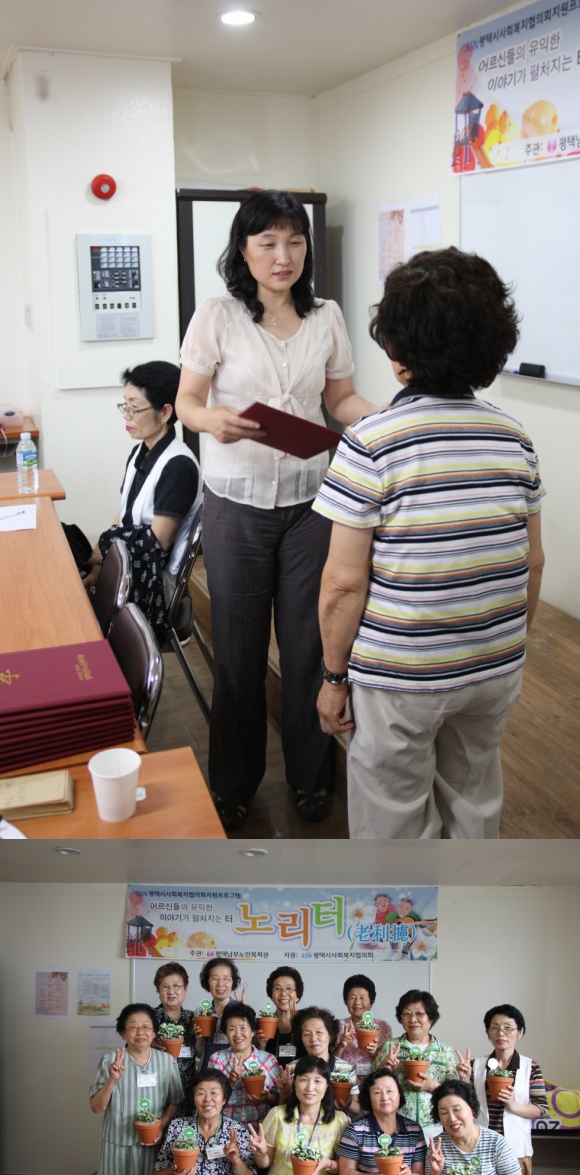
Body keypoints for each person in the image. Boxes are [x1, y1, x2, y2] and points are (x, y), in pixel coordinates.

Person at [313, 247, 545, 839]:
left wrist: (334, 678)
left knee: (393, 823)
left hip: (401, 677)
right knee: (475, 805)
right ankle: (469, 894)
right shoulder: (514, 438)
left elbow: (342, 585)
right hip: (493, 666)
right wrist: (502, 647)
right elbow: (533, 563)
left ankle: (404, 905)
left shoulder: (371, 442)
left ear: (397, 350)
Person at [176, 189, 373, 830]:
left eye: (294, 241)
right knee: (237, 652)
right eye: (268, 243)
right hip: (236, 505)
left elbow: (339, 401)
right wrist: (212, 421)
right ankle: (234, 784)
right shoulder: (219, 315)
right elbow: (187, 401)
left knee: (309, 645)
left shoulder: (326, 316)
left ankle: (312, 778)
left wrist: (387, 418)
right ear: (244, 250)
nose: (283, 255)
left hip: (313, 505)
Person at [83, 361, 200, 638]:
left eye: (134, 408)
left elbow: (159, 541)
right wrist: (98, 561)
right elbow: (123, 513)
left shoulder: (178, 465)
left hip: (153, 578)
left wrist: (104, 550)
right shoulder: (139, 452)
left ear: (165, 412)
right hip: (127, 564)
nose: (126, 415)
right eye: (124, 406)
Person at [89, 1002, 183, 1175]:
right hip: (116, 1143)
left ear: (154, 1032)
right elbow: (96, 1107)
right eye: (133, 1026)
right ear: (123, 1033)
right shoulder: (110, 1062)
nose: (140, 1032)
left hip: (151, 1145)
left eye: (146, 1026)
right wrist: (112, 1080)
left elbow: (175, 1100)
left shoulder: (166, 1061)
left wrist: (161, 1126)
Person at [456, 1004, 548, 1175]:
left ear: (520, 1033)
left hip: (516, 1149)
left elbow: (541, 1109)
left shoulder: (530, 1067)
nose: (501, 1033)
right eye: (495, 1028)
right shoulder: (476, 1066)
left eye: (508, 1028)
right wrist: (464, 1080)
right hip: (481, 1146)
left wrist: (514, 1105)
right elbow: (464, 1107)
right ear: (488, 1033)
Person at [249, 1054, 349, 1175]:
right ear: (295, 1083)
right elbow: (264, 1163)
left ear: (327, 1086)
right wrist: (261, 1152)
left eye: (317, 1081)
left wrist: (328, 1164)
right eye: (303, 1080)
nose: (310, 1087)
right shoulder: (277, 1115)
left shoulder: (339, 1121)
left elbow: (345, 1167)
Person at [152, 1067, 255, 1175]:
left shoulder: (237, 1130)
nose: (207, 1099)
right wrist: (175, 1174)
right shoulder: (178, 1127)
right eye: (200, 1093)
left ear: (224, 1099)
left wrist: (236, 1161)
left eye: (214, 1093)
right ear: (194, 1099)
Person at [424, 1079, 526, 1175]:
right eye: (444, 1112)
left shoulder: (496, 1143)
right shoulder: (437, 1146)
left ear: (472, 1109)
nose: (452, 1118)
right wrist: (435, 1173)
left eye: (457, 1109)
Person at [338, 1066, 426, 1175]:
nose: (385, 1097)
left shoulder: (414, 1130)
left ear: (399, 1095)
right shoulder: (355, 1130)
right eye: (377, 1092)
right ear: (368, 1098)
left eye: (390, 1091)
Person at [371, 990, 459, 1134]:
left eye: (419, 1014)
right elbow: (371, 1086)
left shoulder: (444, 1051)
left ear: (431, 1017)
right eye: (407, 1014)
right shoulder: (390, 1047)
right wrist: (385, 1069)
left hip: (433, 1126)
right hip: (395, 1125)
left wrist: (433, 1087)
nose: (413, 1020)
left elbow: (455, 1094)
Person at [208, 1002, 281, 1126]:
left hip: (261, 1130)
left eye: (243, 1028)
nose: (237, 1034)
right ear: (226, 1033)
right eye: (232, 1029)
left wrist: (267, 1098)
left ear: (253, 1031)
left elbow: (279, 1099)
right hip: (227, 1130)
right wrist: (229, 1083)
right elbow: (210, 1100)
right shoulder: (217, 1059)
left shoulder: (269, 1060)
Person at [286, 1006, 359, 1111]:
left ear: (330, 1036)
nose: (313, 1039)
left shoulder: (346, 1069)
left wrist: (348, 1104)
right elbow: (282, 1105)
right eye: (307, 1034)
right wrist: (286, 1093)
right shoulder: (292, 1068)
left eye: (319, 1032)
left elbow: (357, 1109)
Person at [153, 964, 197, 1102]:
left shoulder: (193, 1019)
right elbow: (130, 1050)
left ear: (185, 988)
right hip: (157, 1093)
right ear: (158, 990)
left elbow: (203, 1052)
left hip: (189, 1093)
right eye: (165, 987)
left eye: (176, 986)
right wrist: (147, 1045)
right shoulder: (148, 1019)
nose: (171, 991)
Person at [335, 975, 392, 1079]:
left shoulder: (383, 1027)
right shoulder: (338, 1026)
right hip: (346, 1083)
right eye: (352, 998)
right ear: (346, 1001)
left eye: (362, 998)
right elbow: (329, 1061)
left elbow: (389, 1064)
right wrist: (341, 1046)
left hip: (375, 1085)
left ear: (371, 1001)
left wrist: (375, 1053)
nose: (357, 1002)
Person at [194, 958, 245, 1069]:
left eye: (226, 979)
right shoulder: (200, 1012)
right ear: (207, 981)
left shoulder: (241, 1011)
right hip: (207, 1070)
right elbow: (198, 1054)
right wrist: (200, 1042)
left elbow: (249, 1048)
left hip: (233, 1070)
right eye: (215, 979)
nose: (220, 984)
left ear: (233, 982)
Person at [255, 966, 305, 1063]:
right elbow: (258, 1064)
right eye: (278, 989)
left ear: (297, 995)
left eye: (289, 988)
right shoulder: (264, 1024)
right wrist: (262, 1046)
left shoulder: (306, 1022)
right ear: (271, 995)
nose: (283, 993)